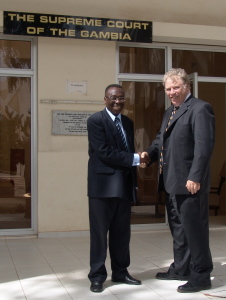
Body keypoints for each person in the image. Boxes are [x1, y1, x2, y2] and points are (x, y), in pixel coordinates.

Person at [144, 68, 215, 293]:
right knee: (179, 229)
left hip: (190, 183)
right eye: (168, 89)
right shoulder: (170, 112)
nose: (172, 92)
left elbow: (204, 146)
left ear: (187, 87)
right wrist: (149, 155)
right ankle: (181, 268)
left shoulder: (200, 109)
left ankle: (201, 275)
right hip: (172, 181)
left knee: (195, 230)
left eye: (176, 87)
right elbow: (160, 140)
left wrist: (195, 176)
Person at [87, 84, 149, 293]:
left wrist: (137, 171)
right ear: (105, 99)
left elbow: (128, 150)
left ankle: (121, 273)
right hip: (102, 187)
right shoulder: (95, 121)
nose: (117, 101)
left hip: (123, 186)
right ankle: (97, 276)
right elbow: (104, 151)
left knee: (122, 233)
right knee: (99, 234)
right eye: (113, 97)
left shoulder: (128, 123)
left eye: (121, 98)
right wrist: (135, 158)